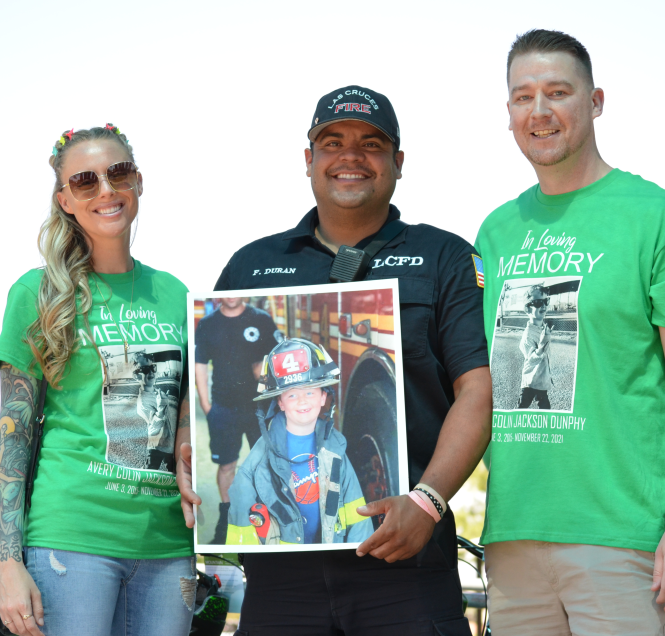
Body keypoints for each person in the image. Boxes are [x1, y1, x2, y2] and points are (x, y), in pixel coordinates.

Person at [177, 85, 493, 635]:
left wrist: (428, 501)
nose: (351, 156)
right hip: (279, 584)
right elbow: (194, 386)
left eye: (372, 144)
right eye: (332, 141)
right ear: (309, 160)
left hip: (408, 569)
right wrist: (188, 447)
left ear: (398, 162)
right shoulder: (251, 264)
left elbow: (480, 391)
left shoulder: (446, 256)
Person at [474, 30, 665, 635]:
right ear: (508, 112)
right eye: (522, 96)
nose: (539, 111)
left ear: (596, 101)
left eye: (558, 92)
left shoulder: (663, 219)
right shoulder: (495, 232)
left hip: (622, 538)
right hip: (512, 534)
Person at [0, 125, 195, 636]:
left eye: (118, 173)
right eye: (85, 181)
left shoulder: (175, 293)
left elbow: (190, 414)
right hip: (71, 540)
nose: (106, 190)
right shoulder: (37, 293)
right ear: (65, 200)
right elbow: (13, 433)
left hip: (169, 546)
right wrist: (9, 563)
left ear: (139, 183)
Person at [226, 338, 372, 545]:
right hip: (283, 567)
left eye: (311, 392)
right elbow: (240, 530)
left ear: (323, 397)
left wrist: (360, 561)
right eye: (292, 394)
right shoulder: (258, 461)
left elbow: (357, 515)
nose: (303, 401)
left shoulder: (335, 449)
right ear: (280, 402)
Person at [194, 296, 280, 544]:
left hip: (259, 407)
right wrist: (206, 404)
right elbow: (200, 364)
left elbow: (274, 361)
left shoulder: (261, 320)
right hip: (223, 408)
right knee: (227, 466)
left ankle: (267, 521)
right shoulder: (208, 324)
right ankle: (227, 521)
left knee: (265, 464)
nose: (232, 295)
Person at [518, 285, 553, 409]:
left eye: (545, 301)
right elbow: (532, 359)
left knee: (545, 409)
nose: (543, 305)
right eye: (538, 302)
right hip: (530, 381)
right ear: (527, 309)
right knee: (522, 407)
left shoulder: (543, 327)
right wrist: (543, 343)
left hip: (541, 380)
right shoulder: (528, 335)